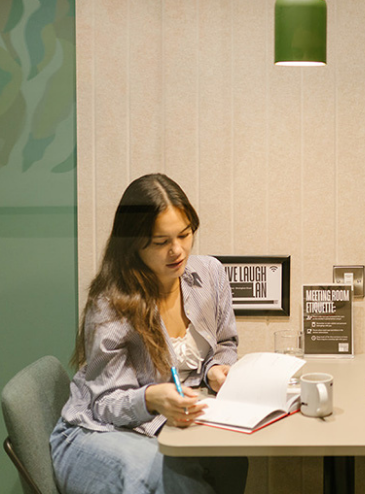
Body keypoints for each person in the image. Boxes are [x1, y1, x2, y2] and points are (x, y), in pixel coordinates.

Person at [50, 173, 248, 494]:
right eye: (161, 242)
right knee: (169, 481)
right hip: (99, 431)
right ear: (133, 244)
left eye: (184, 235)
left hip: (169, 428)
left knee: (233, 459)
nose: (177, 250)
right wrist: (151, 398)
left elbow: (225, 344)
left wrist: (215, 370)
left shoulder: (209, 274)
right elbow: (105, 403)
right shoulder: (111, 303)